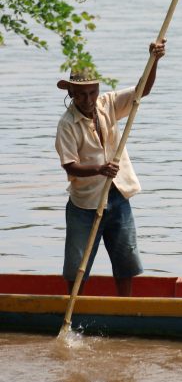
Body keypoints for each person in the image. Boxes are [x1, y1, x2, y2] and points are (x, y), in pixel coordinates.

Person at [55, 39, 166, 296]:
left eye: (92, 92)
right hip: (85, 204)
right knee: (77, 267)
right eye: (81, 94)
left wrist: (154, 60)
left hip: (117, 196)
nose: (88, 99)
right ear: (71, 93)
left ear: (98, 90)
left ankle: (124, 309)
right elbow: (70, 166)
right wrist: (99, 169)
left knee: (125, 260)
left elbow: (141, 91)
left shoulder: (108, 104)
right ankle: (75, 310)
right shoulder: (67, 124)